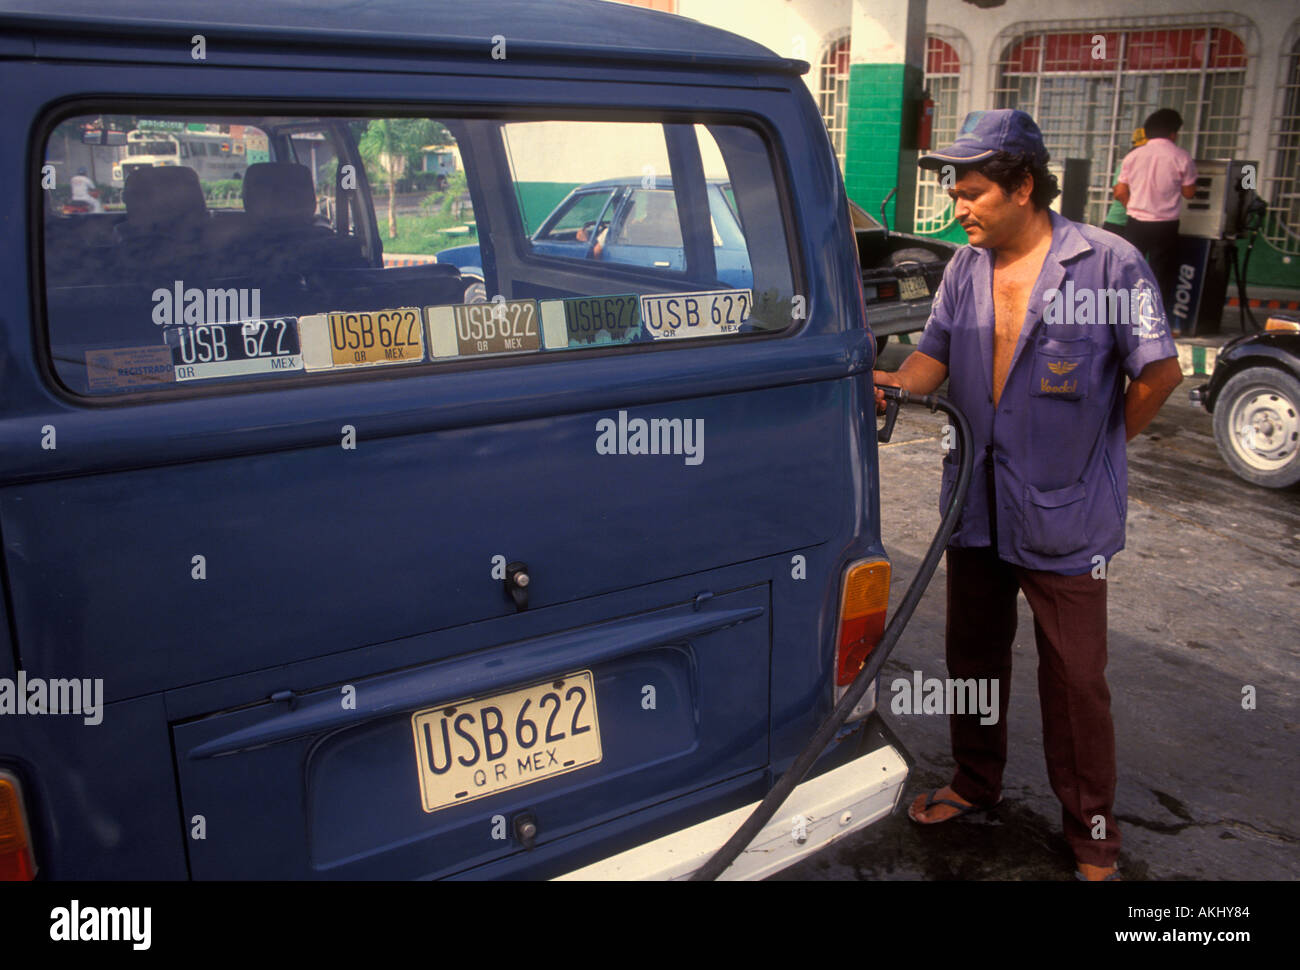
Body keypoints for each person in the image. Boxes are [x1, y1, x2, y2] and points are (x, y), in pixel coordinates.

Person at [873, 109, 1184, 881]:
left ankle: (1093, 835)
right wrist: (892, 385)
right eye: (956, 192)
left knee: (1076, 681)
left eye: (972, 192)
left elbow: (1160, 373)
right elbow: (930, 360)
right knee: (974, 657)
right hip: (975, 504)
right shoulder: (962, 269)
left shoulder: (1110, 265)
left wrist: (1095, 456)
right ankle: (976, 784)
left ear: (1021, 187)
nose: (958, 208)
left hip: (1066, 516)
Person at [1114, 108, 1197, 319]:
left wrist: (1133, 207)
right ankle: (1154, 320)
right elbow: (1189, 193)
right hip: (1165, 225)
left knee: (1130, 271)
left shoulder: (1133, 156)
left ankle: (1124, 319)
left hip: (1135, 222)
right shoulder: (1181, 156)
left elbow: (1120, 191)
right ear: (1173, 133)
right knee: (1161, 273)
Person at [1100, 127, 1147, 239]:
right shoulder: (1130, 163)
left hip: (1127, 223)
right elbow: (1119, 193)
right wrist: (1137, 215)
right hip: (1120, 223)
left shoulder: (1132, 162)